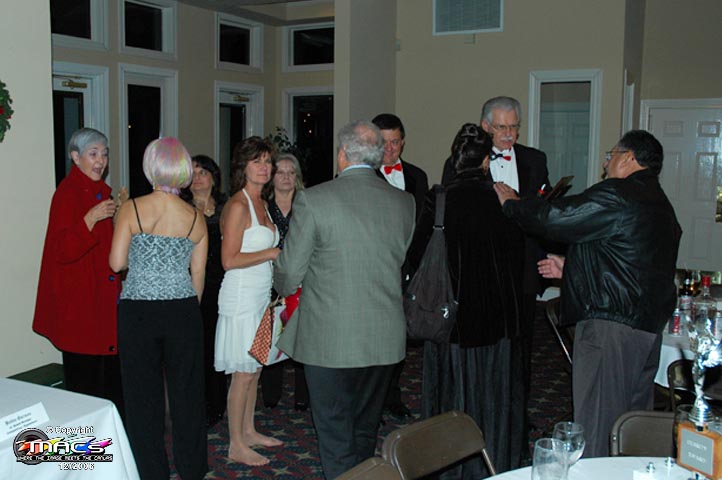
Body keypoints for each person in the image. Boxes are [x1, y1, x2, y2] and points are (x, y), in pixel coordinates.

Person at [494, 129, 682, 457]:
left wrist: (513, 204)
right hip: (645, 329)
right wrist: (571, 267)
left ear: (629, 158)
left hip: (611, 327)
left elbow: (556, 218)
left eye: (611, 156)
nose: (606, 164)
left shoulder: (619, 193)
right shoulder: (661, 205)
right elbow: (631, 261)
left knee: (598, 425)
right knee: (632, 425)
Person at [275, 120, 415, 479]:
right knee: (365, 431)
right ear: (378, 156)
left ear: (342, 155)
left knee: (335, 434)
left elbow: (290, 273)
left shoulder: (314, 199)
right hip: (384, 336)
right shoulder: (404, 202)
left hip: (330, 338)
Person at [407, 124, 524, 478]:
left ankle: (451, 468)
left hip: (453, 319)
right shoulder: (504, 198)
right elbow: (518, 256)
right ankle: (495, 463)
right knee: (493, 394)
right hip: (499, 319)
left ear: (455, 159)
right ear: (486, 161)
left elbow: (415, 256)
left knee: (453, 395)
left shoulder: (440, 198)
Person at [443, 96, 550, 464]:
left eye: (514, 126)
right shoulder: (462, 161)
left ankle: (515, 414)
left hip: (522, 267)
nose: (509, 134)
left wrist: (519, 205)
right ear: (486, 127)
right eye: (502, 127)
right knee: (483, 348)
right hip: (480, 274)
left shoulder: (535, 159)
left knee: (521, 347)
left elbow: (544, 209)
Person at [110, 137, 209, 479]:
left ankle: (151, 471)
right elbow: (198, 274)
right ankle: (192, 468)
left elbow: (116, 263)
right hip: (183, 310)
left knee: (142, 398)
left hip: (139, 312)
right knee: (188, 395)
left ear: (151, 167)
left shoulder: (132, 208)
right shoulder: (195, 216)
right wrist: (186, 309)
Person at [33, 127, 124, 414]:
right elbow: (61, 250)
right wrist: (91, 218)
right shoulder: (67, 194)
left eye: (104, 154)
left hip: (103, 304)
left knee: (110, 387)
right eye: (93, 154)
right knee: (85, 392)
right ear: (75, 157)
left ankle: (112, 441)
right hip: (81, 309)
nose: (101, 161)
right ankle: (85, 444)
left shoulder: (100, 192)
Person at [214, 136, 283, 466]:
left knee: (254, 369)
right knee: (242, 373)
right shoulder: (238, 206)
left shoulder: (263, 202)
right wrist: (270, 253)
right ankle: (236, 444)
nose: (264, 167)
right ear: (243, 167)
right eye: (257, 161)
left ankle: (249, 430)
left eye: (267, 161)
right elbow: (228, 260)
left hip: (260, 296)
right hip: (241, 296)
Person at [372, 113, 428, 419]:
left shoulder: (418, 176)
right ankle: (372, 400)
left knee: (399, 339)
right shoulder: (363, 177)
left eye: (395, 142)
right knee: (375, 338)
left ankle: (392, 395)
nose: (389, 149)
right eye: (383, 142)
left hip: (409, 269)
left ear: (403, 142)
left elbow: (423, 224)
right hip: (376, 270)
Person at [181, 154, 229, 426]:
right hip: (192, 285)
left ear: (213, 177)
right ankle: (196, 404)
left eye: (203, 172)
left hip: (223, 284)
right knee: (196, 347)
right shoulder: (181, 208)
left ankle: (217, 402)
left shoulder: (226, 206)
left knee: (218, 346)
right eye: (193, 174)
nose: (197, 178)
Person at [259, 153, 309, 411]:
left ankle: (303, 396)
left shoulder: (307, 205)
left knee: (303, 336)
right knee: (272, 335)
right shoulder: (262, 207)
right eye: (281, 172)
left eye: (291, 172)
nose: (287, 177)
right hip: (268, 279)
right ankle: (271, 394)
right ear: (272, 176)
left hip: (303, 279)